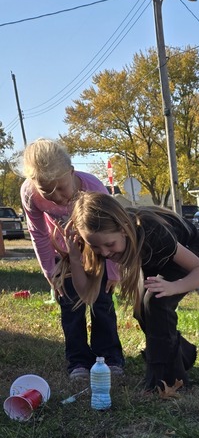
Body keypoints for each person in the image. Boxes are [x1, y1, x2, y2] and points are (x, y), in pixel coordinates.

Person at [61, 192, 199, 392]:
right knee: (141, 312)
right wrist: (74, 258)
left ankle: (168, 382)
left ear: (123, 229)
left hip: (189, 250)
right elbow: (87, 294)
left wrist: (173, 287)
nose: (104, 252)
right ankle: (184, 355)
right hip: (154, 257)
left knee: (156, 302)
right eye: (95, 247)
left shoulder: (152, 232)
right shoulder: (99, 241)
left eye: (109, 244)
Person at [19, 139, 124, 379]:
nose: (56, 197)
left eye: (61, 188)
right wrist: (50, 271)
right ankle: (78, 361)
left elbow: (112, 230)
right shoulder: (29, 193)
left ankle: (109, 356)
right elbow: (38, 233)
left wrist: (113, 270)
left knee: (101, 302)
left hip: (96, 251)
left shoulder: (93, 186)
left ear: (71, 172)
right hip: (62, 252)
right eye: (47, 191)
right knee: (70, 305)